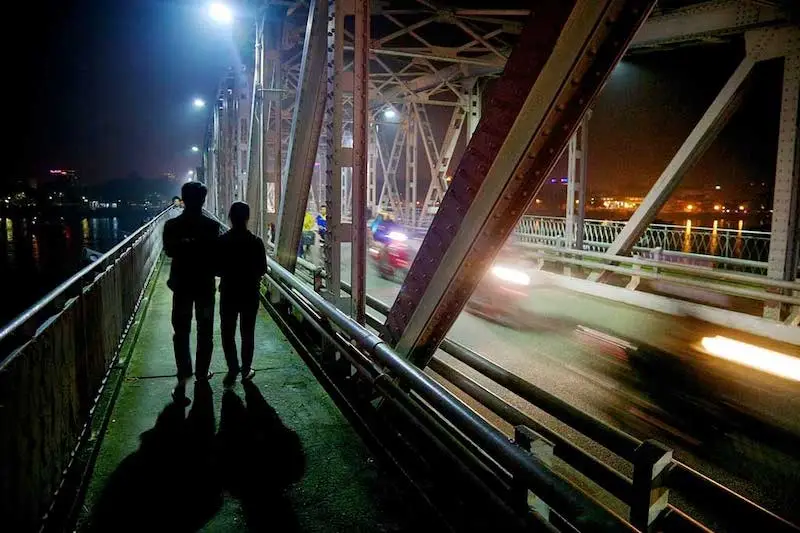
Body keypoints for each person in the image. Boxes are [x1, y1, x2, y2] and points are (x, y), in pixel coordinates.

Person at [163, 182, 221, 404]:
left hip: (182, 286)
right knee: (205, 330)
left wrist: (185, 245)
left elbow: (169, 250)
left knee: (181, 331)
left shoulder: (172, 226)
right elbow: (215, 256)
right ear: (204, 200)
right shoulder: (212, 227)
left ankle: (183, 375)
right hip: (205, 286)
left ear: (183, 199)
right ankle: (202, 373)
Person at [216, 202, 267, 386]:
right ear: (247, 218)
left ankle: (232, 368)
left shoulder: (222, 241)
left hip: (229, 293)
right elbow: (262, 269)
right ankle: (246, 369)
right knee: (248, 333)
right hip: (249, 294)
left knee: (227, 332)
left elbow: (216, 269)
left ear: (230, 217)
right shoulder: (256, 242)